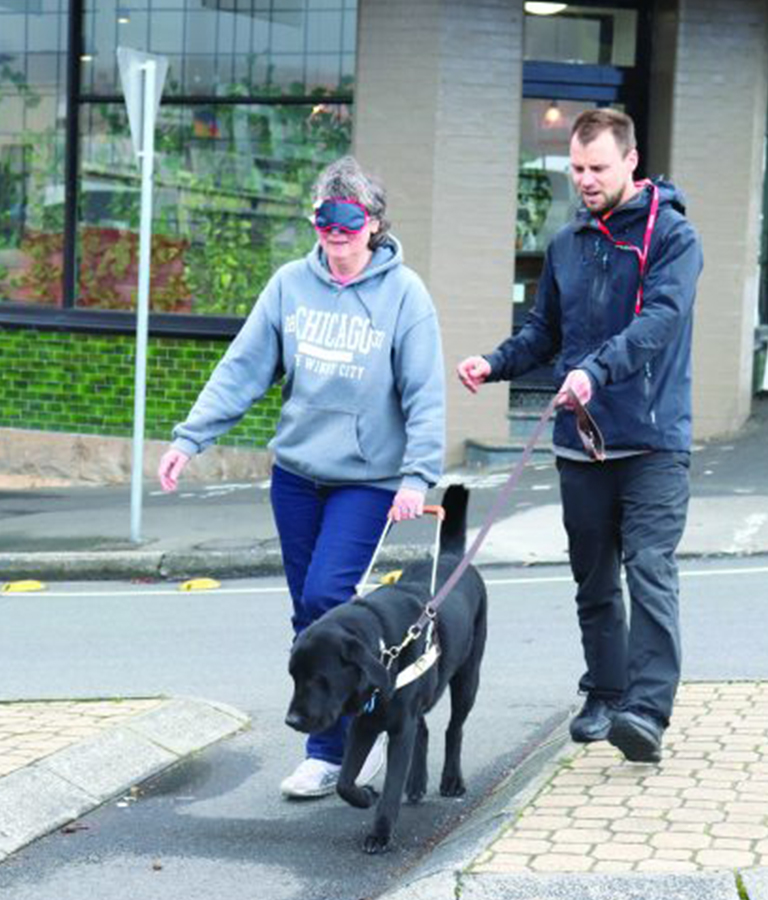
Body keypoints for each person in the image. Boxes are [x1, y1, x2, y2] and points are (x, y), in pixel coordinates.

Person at [158, 155, 446, 796]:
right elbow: (243, 368)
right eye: (324, 219)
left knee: (327, 599)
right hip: (297, 476)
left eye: (347, 220)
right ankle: (328, 746)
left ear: (372, 223)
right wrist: (191, 437)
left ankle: (349, 742)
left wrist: (416, 477)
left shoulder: (406, 296)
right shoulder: (290, 285)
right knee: (308, 615)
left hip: (368, 481)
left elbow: (425, 394)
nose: (334, 233)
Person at [458, 108, 702, 764]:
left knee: (649, 571)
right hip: (581, 442)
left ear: (631, 161)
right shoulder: (568, 243)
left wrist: (594, 372)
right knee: (592, 580)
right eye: (576, 168)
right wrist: (495, 362)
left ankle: (646, 714)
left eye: (597, 168)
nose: (585, 180)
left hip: (651, 441)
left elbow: (659, 321)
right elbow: (545, 331)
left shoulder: (672, 237)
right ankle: (605, 692)